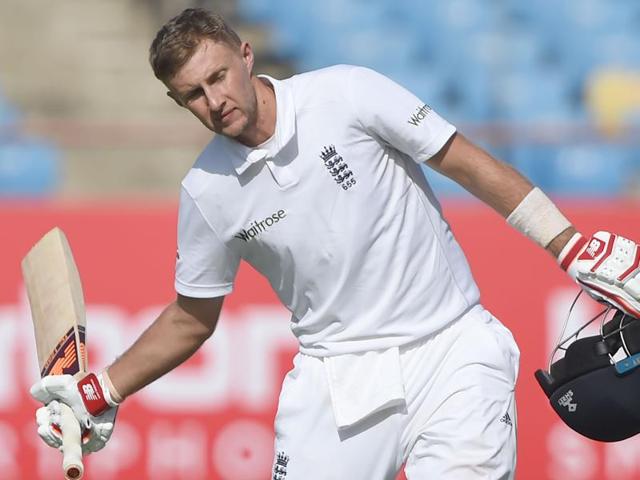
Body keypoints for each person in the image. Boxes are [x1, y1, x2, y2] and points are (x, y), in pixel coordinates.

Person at [30, 8, 640, 479]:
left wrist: (568, 246)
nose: (214, 100)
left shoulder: (347, 93)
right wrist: (102, 388)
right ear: (176, 101)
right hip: (335, 379)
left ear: (245, 56)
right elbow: (194, 316)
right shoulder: (206, 192)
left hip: (454, 348)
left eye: (218, 76)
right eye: (193, 94)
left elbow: (464, 162)